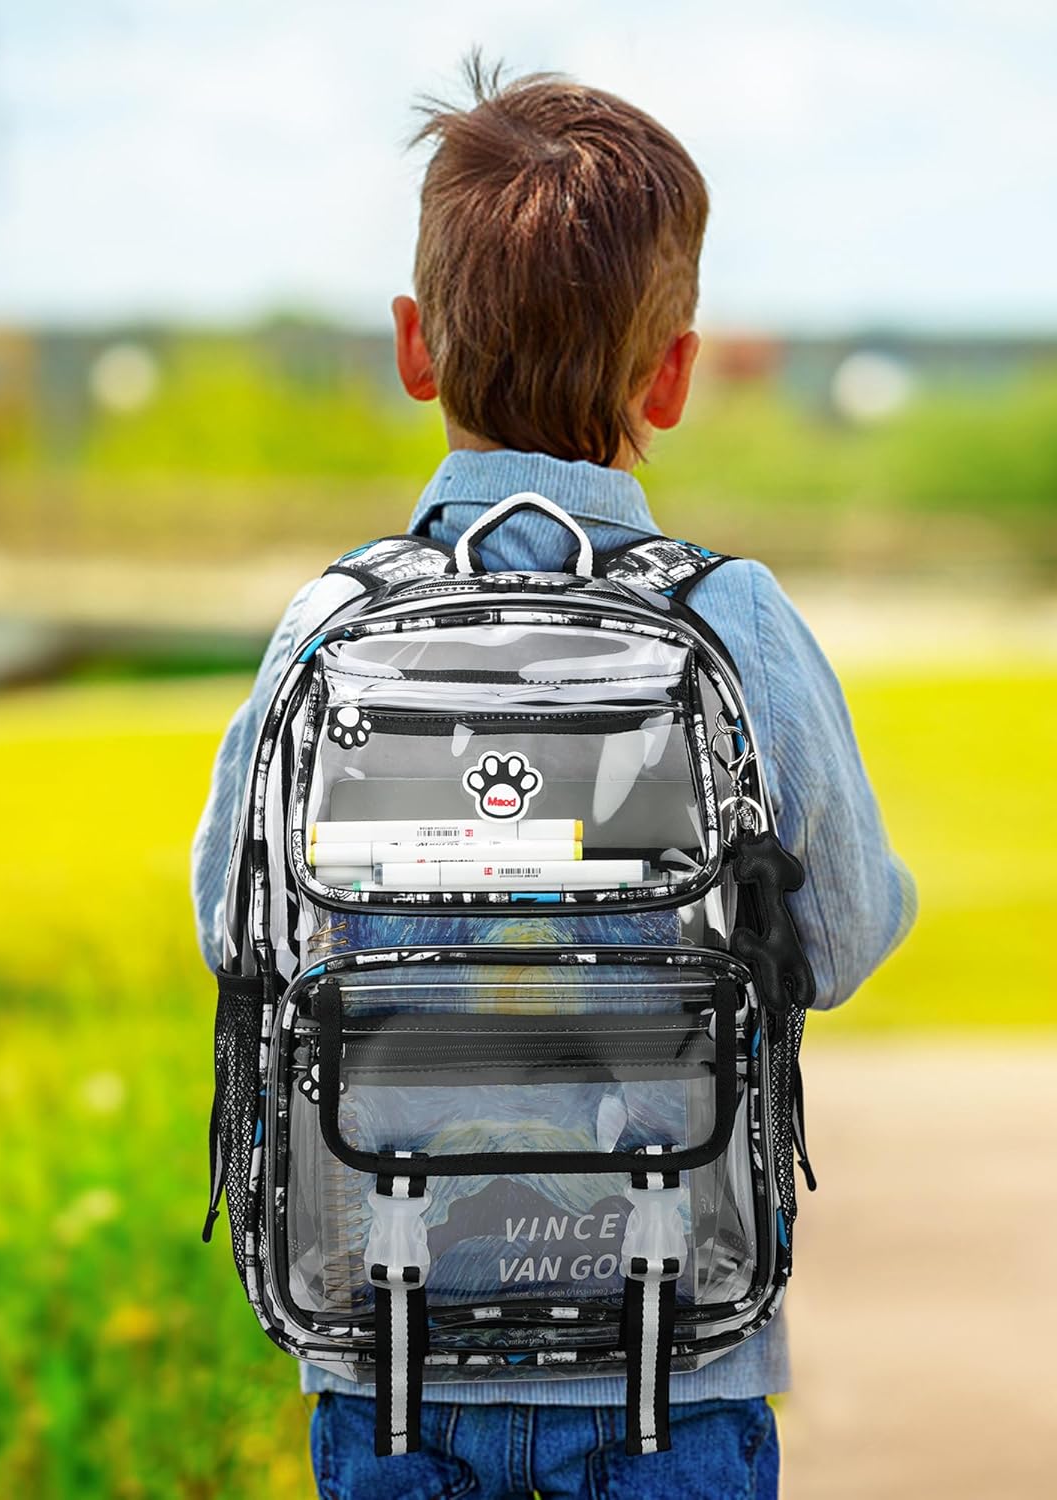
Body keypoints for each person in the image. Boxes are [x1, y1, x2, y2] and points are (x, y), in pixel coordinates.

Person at [192, 54, 916, 1500]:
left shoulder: (331, 626)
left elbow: (235, 930)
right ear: (675, 372)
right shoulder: (732, 621)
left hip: (388, 1338)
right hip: (674, 1346)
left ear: (416, 346)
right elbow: (834, 939)